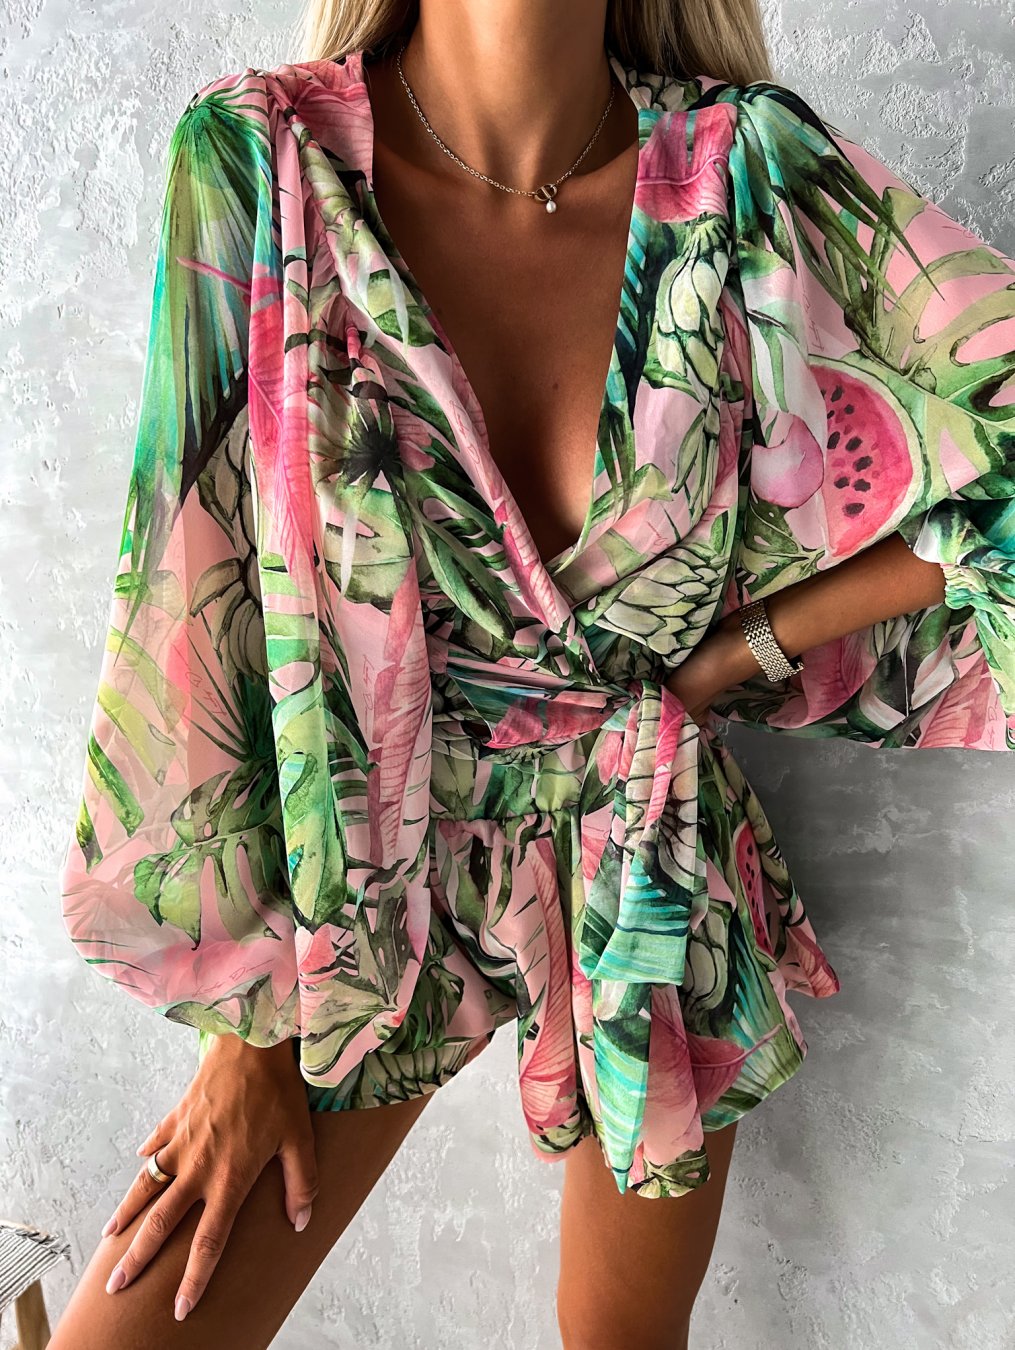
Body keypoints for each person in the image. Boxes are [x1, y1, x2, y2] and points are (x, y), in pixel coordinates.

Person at [52, 0, 1015, 1346]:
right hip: (370, 880)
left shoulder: (747, 173)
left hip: (648, 849)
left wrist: (744, 653)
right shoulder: (263, 161)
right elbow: (197, 595)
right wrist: (247, 1029)